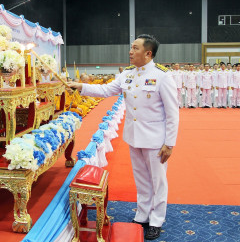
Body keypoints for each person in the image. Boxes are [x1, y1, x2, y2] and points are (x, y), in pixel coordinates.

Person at [68, 34, 179, 240]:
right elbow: (106, 89)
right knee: (142, 179)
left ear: (148, 53)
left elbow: (173, 113)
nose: (130, 51)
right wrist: (81, 86)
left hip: (156, 140)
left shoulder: (162, 76)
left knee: (158, 181)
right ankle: (143, 214)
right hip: (134, 137)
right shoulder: (127, 74)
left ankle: (156, 220)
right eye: (131, 47)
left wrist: (169, 143)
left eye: (135, 48)